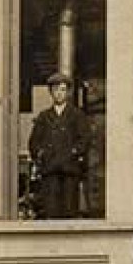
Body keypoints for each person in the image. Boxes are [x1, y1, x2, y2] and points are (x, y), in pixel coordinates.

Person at [28, 72, 91, 219]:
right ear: (51, 93)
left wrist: (74, 152)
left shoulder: (77, 115)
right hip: (50, 171)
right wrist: (41, 154)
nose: (59, 94)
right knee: (51, 211)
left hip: (70, 171)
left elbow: (85, 139)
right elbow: (34, 142)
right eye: (56, 90)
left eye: (62, 90)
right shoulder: (44, 117)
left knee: (69, 211)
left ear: (68, 92)